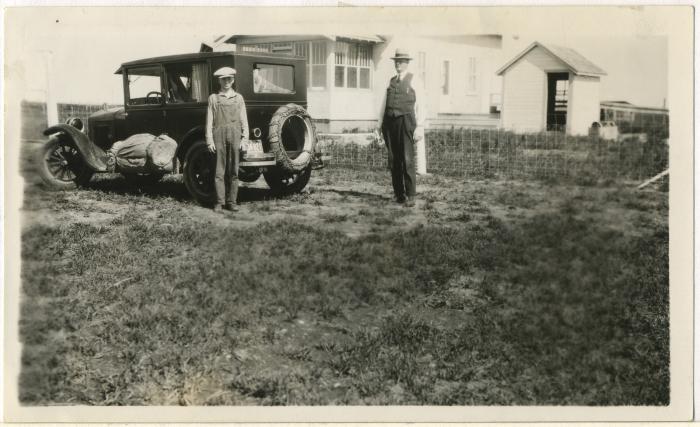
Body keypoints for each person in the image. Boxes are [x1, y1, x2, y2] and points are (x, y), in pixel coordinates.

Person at [377, 48, 426, 207]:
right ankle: (399, 194)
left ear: (407, 63)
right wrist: (379, 125)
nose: (399, 64)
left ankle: (411, 195)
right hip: (390, 123)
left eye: (402, 61)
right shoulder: (390, 81)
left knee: (407, 158)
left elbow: (422, 104)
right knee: (393, 159)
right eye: (396, 61)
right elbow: (384, 103)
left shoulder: (415, 80)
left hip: (406, 121)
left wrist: (420, 126)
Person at [205, 66, 249, 213]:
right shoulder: (213, 98)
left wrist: (245, 139)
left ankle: (232, 201)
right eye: (224, 79)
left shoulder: (239, 98)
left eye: (229, 79)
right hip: (219, 135)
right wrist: (209, 140)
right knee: (219, 170)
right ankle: (219, 202)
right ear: (219, 81)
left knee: (234, 170)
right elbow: (209, 121)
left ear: (233, 80)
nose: (226, 82)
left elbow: (244, 121)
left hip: (235, 135)